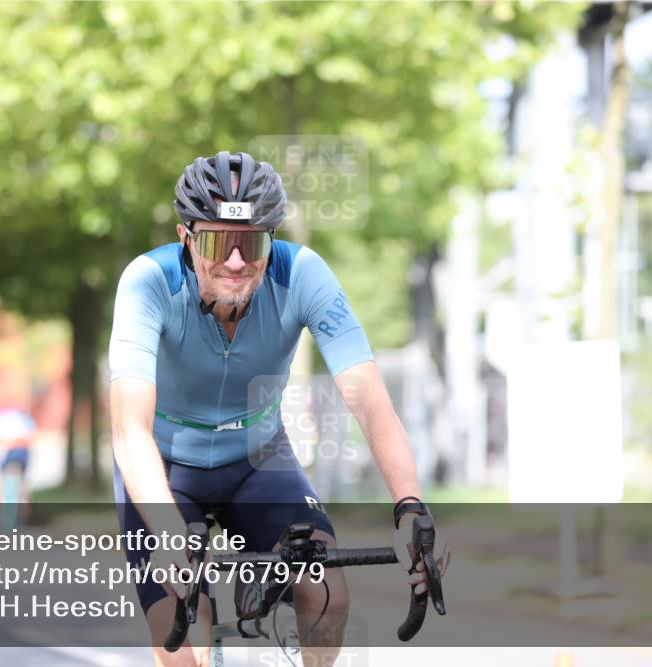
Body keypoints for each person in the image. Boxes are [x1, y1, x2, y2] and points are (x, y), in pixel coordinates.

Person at [109, 150, 438, 667]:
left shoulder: (304, 274)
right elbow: (130, 431)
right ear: (186, 239)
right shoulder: (147, 282)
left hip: (258, 461)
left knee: (327, 594)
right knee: (181, 642)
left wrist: (409, 507)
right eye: (218, 241)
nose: (235, 261)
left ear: (271, 241)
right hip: (165, 468)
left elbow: (371, 402)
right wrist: (172, 537)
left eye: (251, 242)